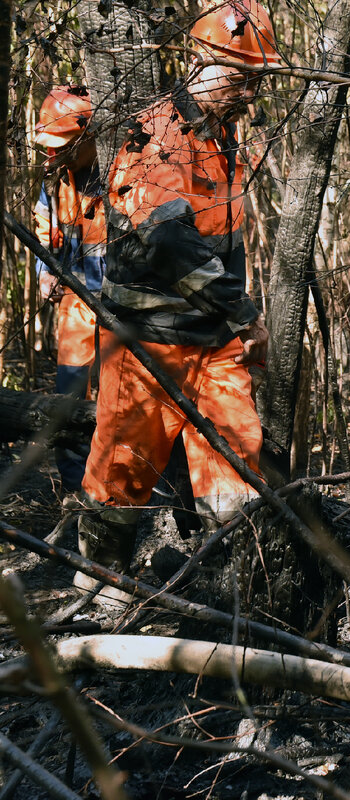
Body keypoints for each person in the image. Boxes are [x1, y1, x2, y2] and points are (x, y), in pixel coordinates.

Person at [72, 0, 280, 606]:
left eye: (256, 79)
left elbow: (224, 243)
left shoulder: (226, 141)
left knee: (238, 476)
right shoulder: (157, 137)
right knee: (119, 476)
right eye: (240, 76)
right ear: (202, 61)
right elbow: (168, 242)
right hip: (147, 347)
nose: (249, 91)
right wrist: (245, 314)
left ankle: (233, 608)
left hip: (212, 346)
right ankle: (98, 594)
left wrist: (235, 323)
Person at [32, 87, 105, 493]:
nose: (54, 154)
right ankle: (76, 491)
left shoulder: (125, 170)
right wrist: (46, 270)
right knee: (70, 395)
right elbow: (46, 230)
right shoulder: (54, 175)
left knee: (122, 397)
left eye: (64, 146)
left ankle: (128, 492)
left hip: (122, 308)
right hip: (76, 304)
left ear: (89, 136)